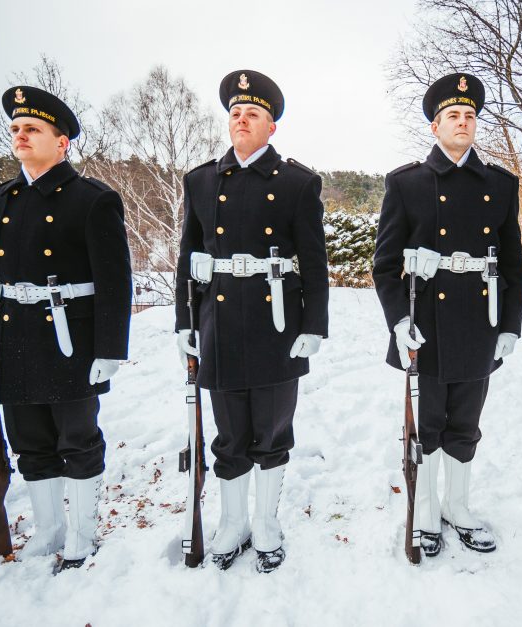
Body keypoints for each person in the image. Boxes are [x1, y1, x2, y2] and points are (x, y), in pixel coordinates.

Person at [0, 85, 132, 570]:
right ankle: (49, 530)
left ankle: (83, 532)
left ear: (62, 142)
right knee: (29, 440)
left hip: (70, 341)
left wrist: (110, 349)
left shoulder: (92, 199)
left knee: (77, 440)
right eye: (16, 128)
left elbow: (114, 281)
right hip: (16, 339)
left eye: (32, 129)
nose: (20, 135)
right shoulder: (0, 199)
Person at [174, 69, 329, 573]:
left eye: (253, 114)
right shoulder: (200, 180)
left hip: (276, 323)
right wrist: (184, 323)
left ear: (272, 127)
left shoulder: (298, 183)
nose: (242, 120)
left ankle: (265, 522)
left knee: (272, 430)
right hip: (217, 320)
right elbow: (186, 258)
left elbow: (314, 259)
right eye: (235, 114)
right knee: (228, 432)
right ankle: (232, 522)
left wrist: (314, 325)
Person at [373, 73, 522, 557]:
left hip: (480, 322)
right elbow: (383, 264)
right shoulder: (407, 183)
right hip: (426, 324)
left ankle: (458, 507)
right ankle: (427, 509)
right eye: (453, 116)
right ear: (435, 126)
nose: (463, 122)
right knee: (429, 425)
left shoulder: (500, 184)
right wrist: (399, 322)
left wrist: (509, 325)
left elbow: (514, 261)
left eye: (470, 116)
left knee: (466, 422)